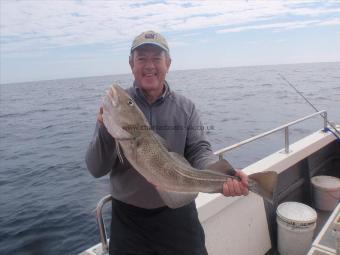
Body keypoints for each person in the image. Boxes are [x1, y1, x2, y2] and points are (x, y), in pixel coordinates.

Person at [85, 30, 249, 255]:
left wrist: (224, 174)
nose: (149, 65)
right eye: (142, 58)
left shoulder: (186, 107)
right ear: (131, 64)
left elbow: (199, 150)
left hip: (179, 216)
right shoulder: (113, 113)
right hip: (128, 222)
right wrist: (105, 130)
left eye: (156, 58)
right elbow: (96, 168)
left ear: (168, 64)